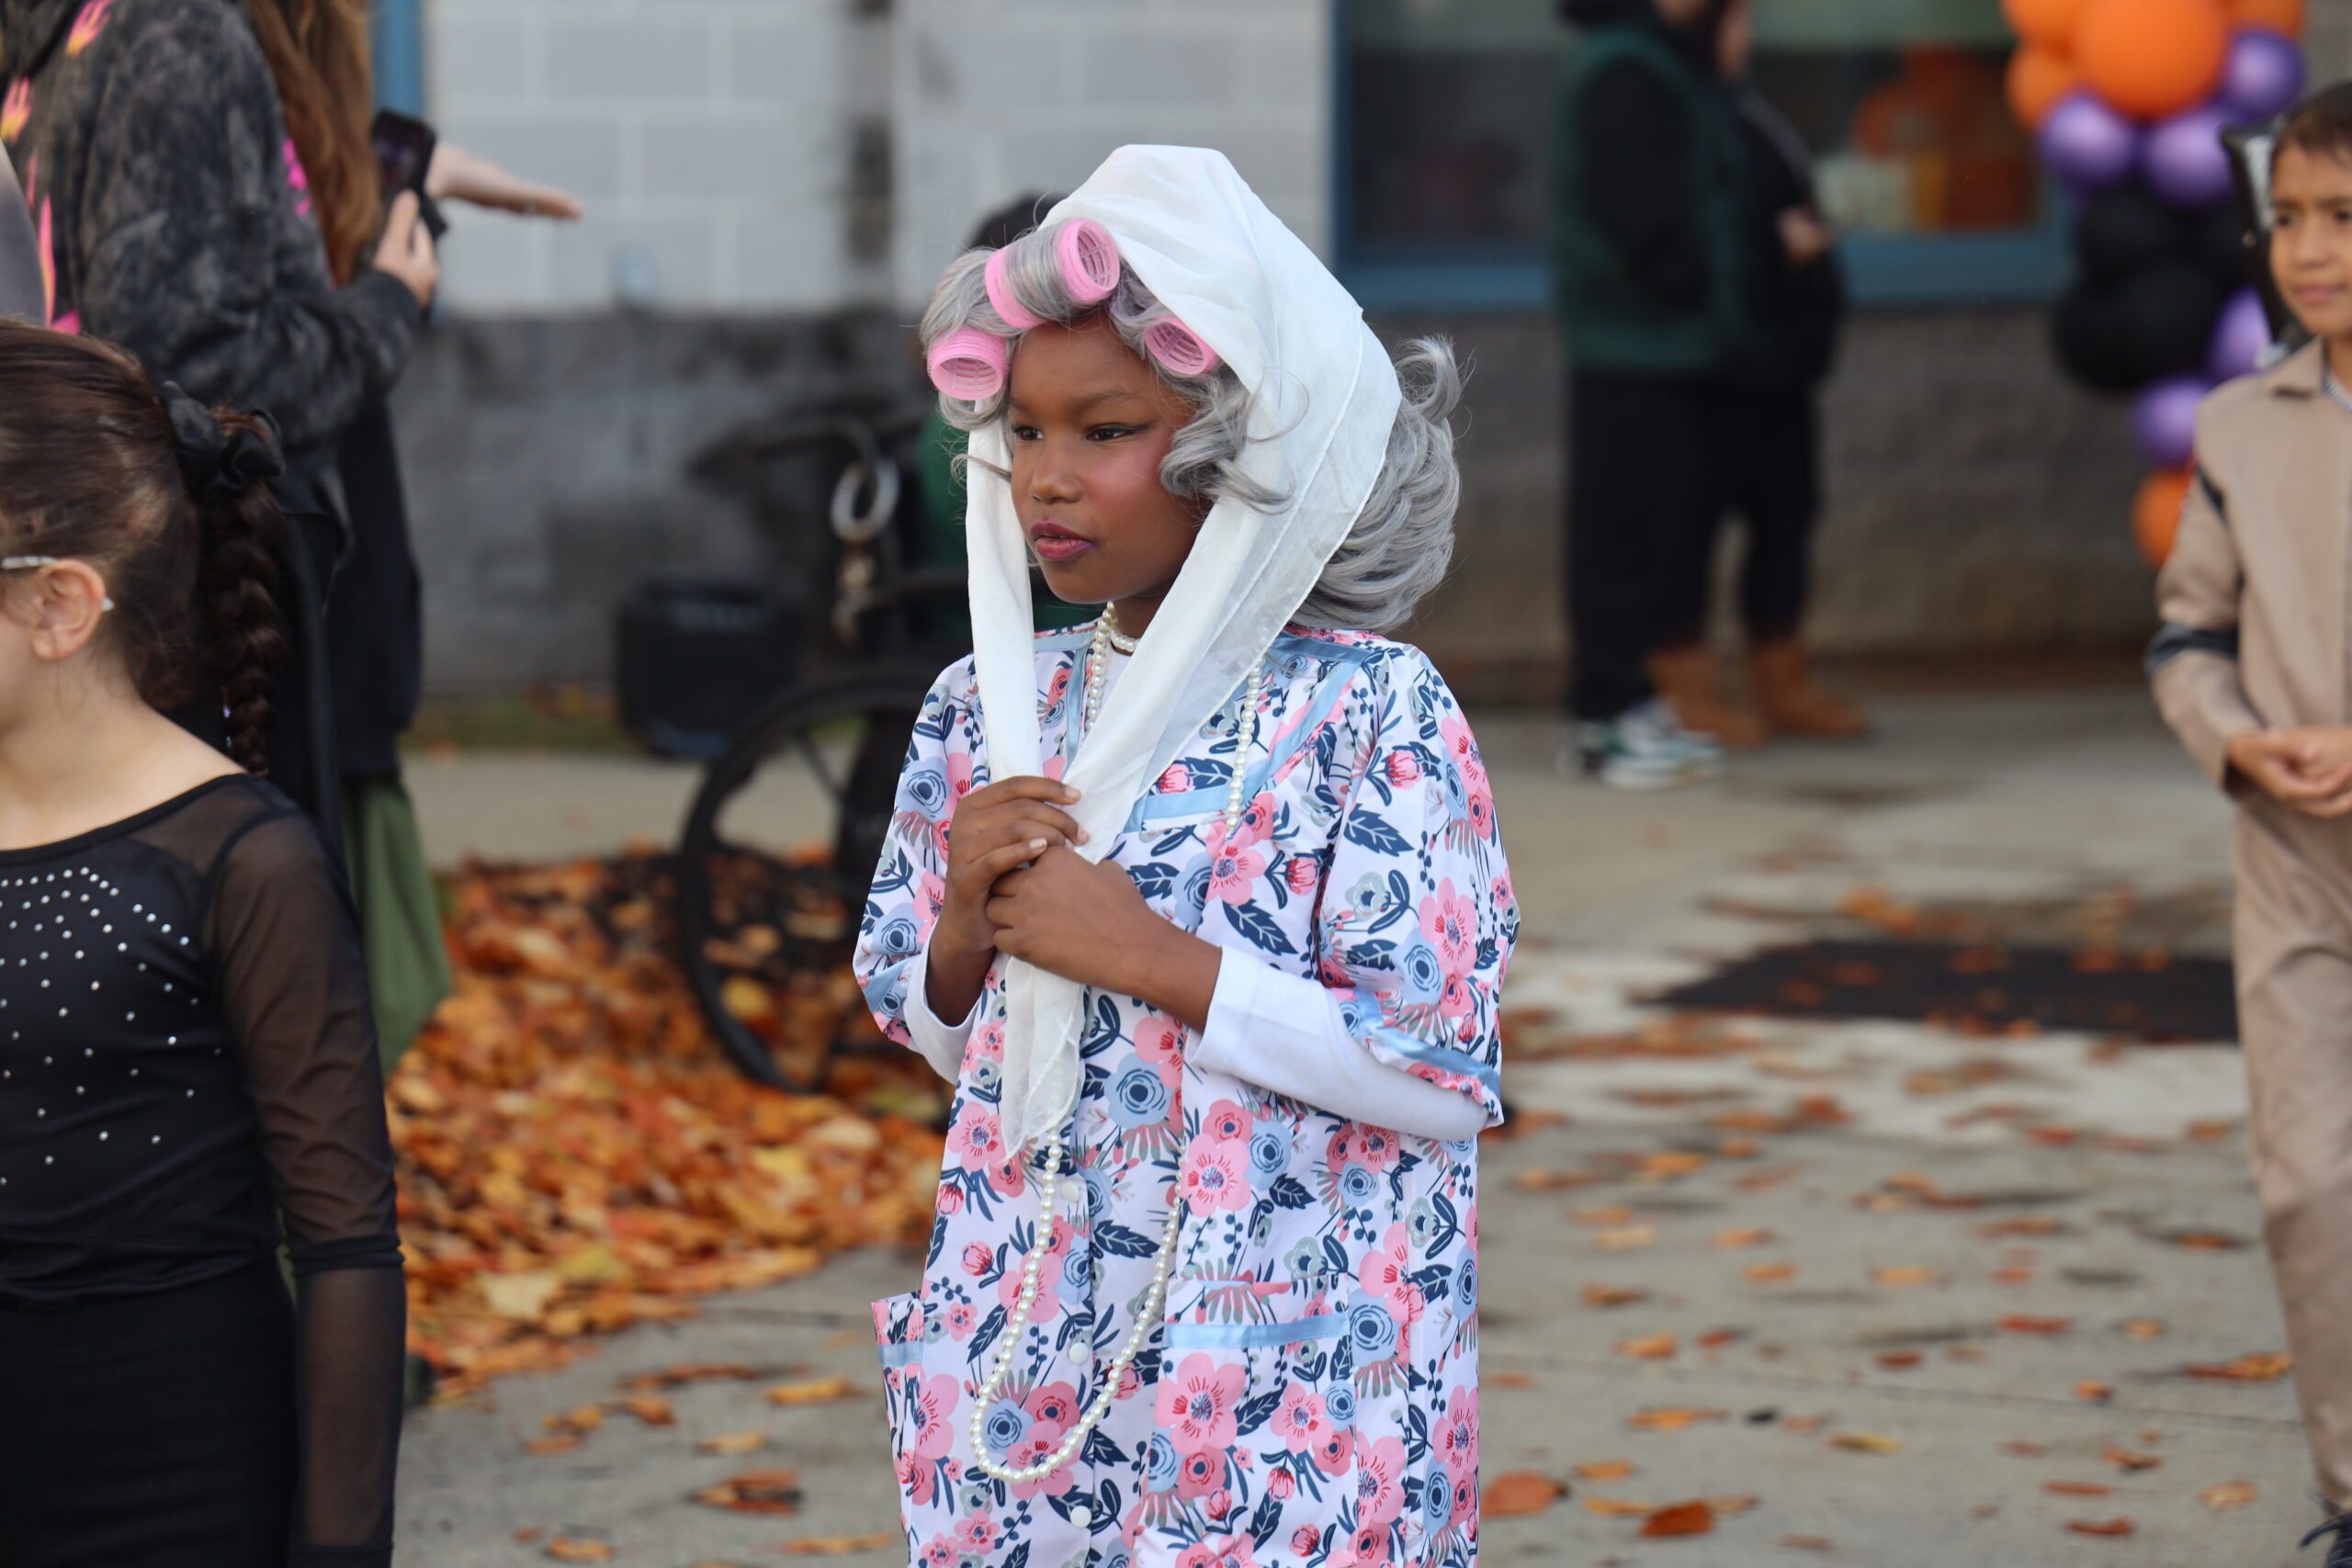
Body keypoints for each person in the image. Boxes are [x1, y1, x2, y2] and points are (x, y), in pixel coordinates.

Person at [852, 147, 1514, 1568]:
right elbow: (929, 1024)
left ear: (1246, 443)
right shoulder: (991, 703)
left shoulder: (1370, 714)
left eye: (1106, 429)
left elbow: (1438, 1073)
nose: (1048, 478)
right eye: (1023, 432)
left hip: (1295, 1376)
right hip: (1037, 1334)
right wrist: (964, 928)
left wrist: (1148, 956)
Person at [0, 0, 580, 1068]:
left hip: (110, 610)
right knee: (236, 1050)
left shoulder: (73, 38)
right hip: (180, 617)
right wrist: (389, 309)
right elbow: (196, 365)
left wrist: (407, 158)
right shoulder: (177, 35)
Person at [0, 323, 402, 1566]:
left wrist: (336, 1546)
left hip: (166, 1482)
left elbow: (343, 1242)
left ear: (59, 602)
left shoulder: (243, 860)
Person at [2149, 83, 2352, 1568]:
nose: (2310, 250)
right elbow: (2184, 638)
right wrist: (2236, 744)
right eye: (2288, 218)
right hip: (2295, 874)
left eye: (2343, 218)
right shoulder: (2239, 424)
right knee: (2312, 1184)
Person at [1653, 0, 1869, 742]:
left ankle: (1782, 678)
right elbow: (1700, 231)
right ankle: (1683, 685)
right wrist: (1777, 244)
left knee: (1787, 517)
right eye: (1734, 19)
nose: (1746, 34)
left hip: (1785, 367)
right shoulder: (1682, 111)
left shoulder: (1753, 114)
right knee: (1692, 525)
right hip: (1723, 366)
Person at [1552, 0, 1754, 788]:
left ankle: (1632, 704)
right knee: (1621, 538)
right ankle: (1603, 719)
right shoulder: (1624, 70)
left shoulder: (1654, 61)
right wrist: (1695, 283)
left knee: (1653, 534)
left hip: (1658, 344)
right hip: (1633, 345)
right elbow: (1646, 215)